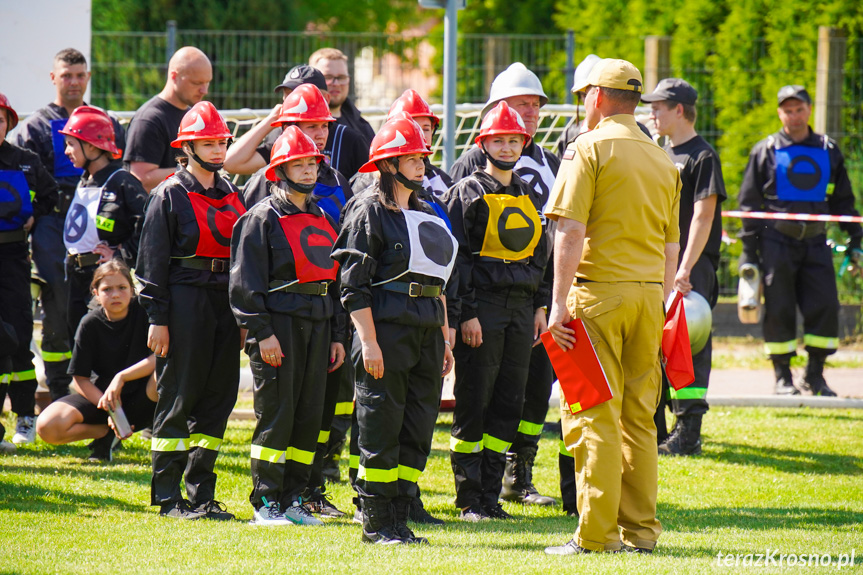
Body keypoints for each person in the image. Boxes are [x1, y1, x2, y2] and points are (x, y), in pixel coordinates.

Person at [544, 58, 680, 555]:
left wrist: (558, 305)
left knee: (593, 416)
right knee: (640, 419)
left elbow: (571, 230)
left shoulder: (587, 148)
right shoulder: (663, 158)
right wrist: (660, 303)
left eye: (584, 95)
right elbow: (670, 248)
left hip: (596, 294)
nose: (583, 103)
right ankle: (641, 533)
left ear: (598, 97)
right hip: (648, 298)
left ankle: (596, 537)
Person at [332, 113, 456, 544]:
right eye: (411, 158)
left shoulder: (424, 210)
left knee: (417, 427)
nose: (422, 164)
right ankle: (376, 522)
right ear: (388, 164)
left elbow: (437, 279)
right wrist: (368, 342)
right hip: (384, 330)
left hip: (425, 329)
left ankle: (400, 518)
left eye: (423, 156)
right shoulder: (366, 211)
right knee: (381, 426)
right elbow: (352, 286)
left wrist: (443, 336)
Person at [449, 62, 559, 508]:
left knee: (509, 401)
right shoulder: (467, 191)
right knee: (474, 400)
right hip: (484, 310)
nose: (508, 146)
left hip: (520, 311)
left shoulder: (529, 197)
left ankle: (491, 495)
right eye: (499, 140)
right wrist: (467, 312)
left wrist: (539, 305)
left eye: (515, 140)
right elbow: (455, 258)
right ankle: (468, 496)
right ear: (484, 143)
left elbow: (541, 256)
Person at [230, 126, 347, 526]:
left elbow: (333, 283)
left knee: (308, 414)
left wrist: (336, 336)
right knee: (276, 414)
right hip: (278, 327)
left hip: (318, 324)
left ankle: (294, 498)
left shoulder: (323, 216)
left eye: (312, 163)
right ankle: (266, 503)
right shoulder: (259, 219)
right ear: (278, 171)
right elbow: (245, 286)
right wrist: (263, 334)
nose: (308, 170)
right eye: (298, 164)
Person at [136, 101, 245, 520]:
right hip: (184, 301)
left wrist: (241, 316)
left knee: (219, 398)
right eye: (209, 142)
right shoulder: (169, 194)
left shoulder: (232, 193)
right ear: (187, 147)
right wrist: (157, 319)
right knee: (179, 395)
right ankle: (168, 497)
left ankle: (201, 495)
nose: (218, 149)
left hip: (223, 302)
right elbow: (150, 263)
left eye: (221, 142)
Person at [12, 48, 124, 404]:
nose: (73, 82)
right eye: (66, 76)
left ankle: (102, 384)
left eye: (79, 75)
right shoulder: (34, 127)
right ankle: (60, 386)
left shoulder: (106, 122)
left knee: (101, 297)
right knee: (58, 300)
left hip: (97, 226)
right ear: (53, 78)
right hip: (50, 225)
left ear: (87, 78)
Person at [739, 85, 863, 396]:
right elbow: (749, 204)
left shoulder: (827, 149)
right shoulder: (765, 150)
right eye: (787, 110)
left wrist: (856, 237)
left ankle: (815, 375)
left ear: (809, 110)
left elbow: (843, 202)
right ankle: (782, 377)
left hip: (816, 243)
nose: (793, 116)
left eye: (799, 109)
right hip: (776, 242)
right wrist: (748, 253)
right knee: (779, 308)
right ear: (779, 113)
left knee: (824, 306)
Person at [642, 78, 726, 455]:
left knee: (690, 344)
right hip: (661, 263)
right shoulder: (662, 153)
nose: (652, 113)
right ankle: (659, 426)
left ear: (679, 110)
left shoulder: (702, 156)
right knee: (659, 342)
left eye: (659, 107)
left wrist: (685, 267)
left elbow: (703, 217)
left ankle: (689, 430)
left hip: (691, 267)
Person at [35, 261, 157, 461]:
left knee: (166, 371)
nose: (115, 294)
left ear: (132, 290)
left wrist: (122, 377)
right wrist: (110, 408)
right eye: (107, 289)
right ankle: (105, 434)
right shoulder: (89, 323)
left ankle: (170, 439)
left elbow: (159, 358)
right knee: (47, 427)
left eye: (122, 288)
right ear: (96, 293)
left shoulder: (145, 313)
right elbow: (80, 378)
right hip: (101, 399)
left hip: (143, 400)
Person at [0, 92, 59, 446]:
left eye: (1, 118)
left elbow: (50, 197)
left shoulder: (25, 159)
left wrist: (36, 216)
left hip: (14, 261)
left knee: (19, 337)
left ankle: (25, 419)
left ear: (8, 122)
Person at [59, 105, 147, 336]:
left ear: (91, 145)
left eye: (71, 144)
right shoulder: (84, 180)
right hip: (77, 278)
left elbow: (148, 224)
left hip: (105, 281)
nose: (66, 151)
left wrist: (121, 256)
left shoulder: (122, 181)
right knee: (77, 339)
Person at [224, 64, 368, 181]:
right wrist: (271, 120)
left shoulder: (349, 139)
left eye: (303, 94)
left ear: (325, 99)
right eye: (288, 95)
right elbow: (231, 163)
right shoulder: (282, 137)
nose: (293, 101)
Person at [241, 84, 353, 221]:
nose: (321, 134)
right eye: (312, 126)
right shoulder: (265, 181)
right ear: (288, 128)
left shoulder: (336, 179)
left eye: (325, 126)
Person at [124, 46, 212, 192]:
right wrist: (196, 170)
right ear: (174, 76)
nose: (205, 90)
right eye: (197, 83)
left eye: (207, 82)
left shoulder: (194, 117)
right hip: (156, 212)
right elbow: (141, 179)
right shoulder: (149, 119)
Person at [309, 48, 376, 146]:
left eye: (341, 77)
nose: (336, 83)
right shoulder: (297, 125)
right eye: (327, 77)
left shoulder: (362, 128)